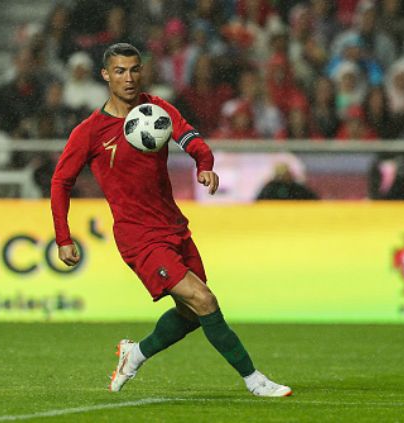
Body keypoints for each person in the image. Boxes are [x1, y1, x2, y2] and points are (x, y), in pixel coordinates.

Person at [50, 43, 292, 397]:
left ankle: (135, 354)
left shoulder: (156, 108)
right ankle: (254, 380)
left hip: (174, 227)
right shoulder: (90, 131)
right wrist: (63, 237)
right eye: (119, 71)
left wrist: (204, 165)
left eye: (134, 70)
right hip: (138, 237)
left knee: (192, 314)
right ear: (105, 75)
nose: (128, 78)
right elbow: (61, 181)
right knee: (205, 300)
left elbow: (191, 138)